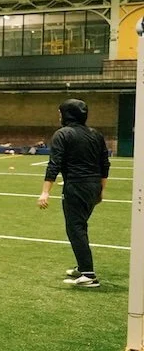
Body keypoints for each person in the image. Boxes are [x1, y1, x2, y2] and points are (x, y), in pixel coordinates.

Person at [39, 99, 110, 288]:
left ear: (67, 114)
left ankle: (88, 275)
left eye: (60, 113)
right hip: (93, 186)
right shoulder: (96, 134)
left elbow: (54, 164)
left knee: (75, 228)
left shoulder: (63, 134)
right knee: (81, 226)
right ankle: (83, 266)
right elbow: (105, 164)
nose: (59, 116)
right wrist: (101, 190)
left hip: (76, 187)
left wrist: (45, 192)